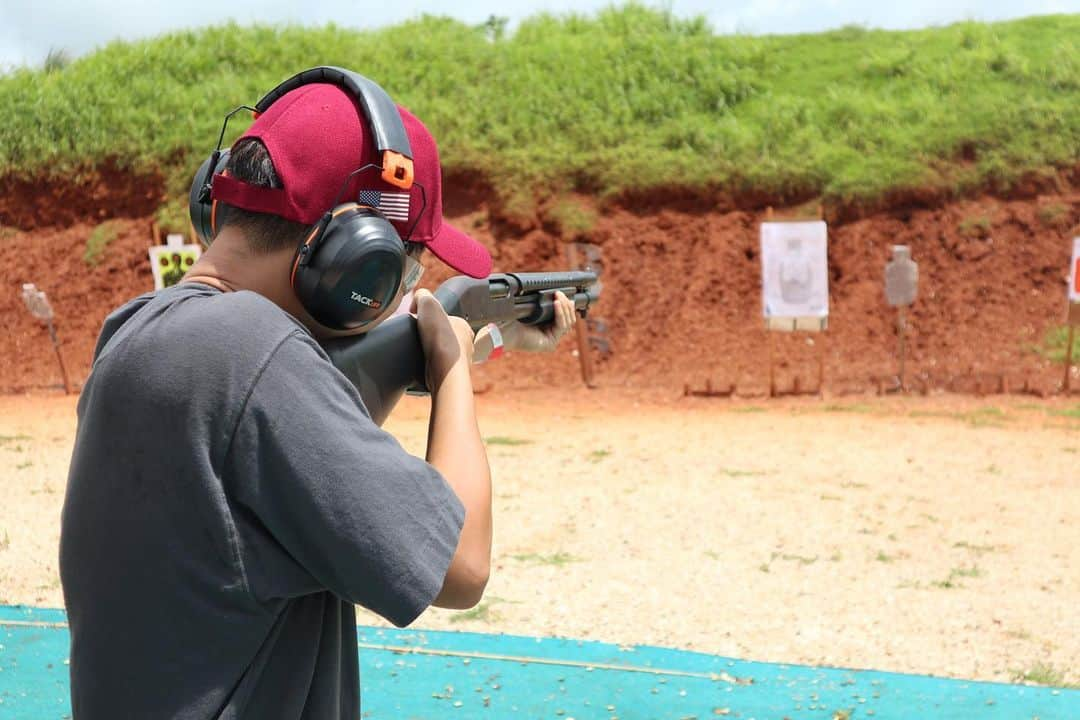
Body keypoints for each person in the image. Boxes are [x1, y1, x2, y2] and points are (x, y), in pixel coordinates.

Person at [60, 77, 576, 719]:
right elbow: (460, 567)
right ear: (356, 259)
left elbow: (298, 453)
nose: (398, 289)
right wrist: (448, 369)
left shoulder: (136, 329)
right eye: (404, 268)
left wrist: (482, 343)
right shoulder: (253, 350)